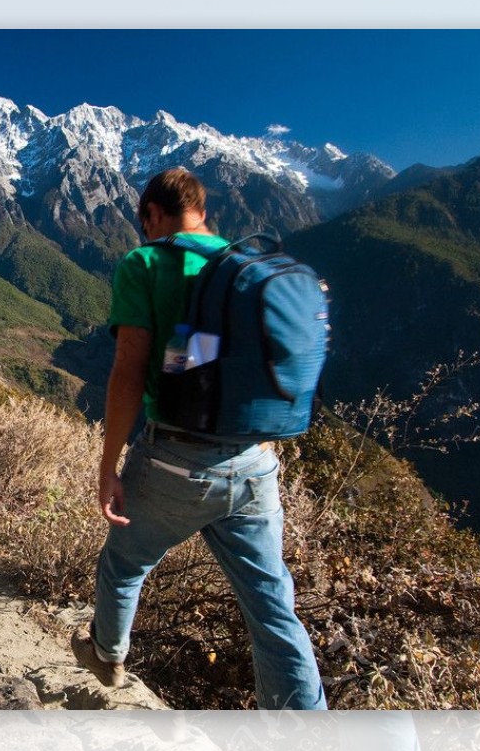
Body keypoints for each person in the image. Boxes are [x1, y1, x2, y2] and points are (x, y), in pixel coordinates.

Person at [70, 168, 327, 710]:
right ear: (204, 213)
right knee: (272, 607)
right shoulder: (242, 267)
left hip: (175, 461)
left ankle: (108, 656)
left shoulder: (146, 262)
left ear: (151, 216)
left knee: (124, 563)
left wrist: (108, 464)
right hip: (256, 462)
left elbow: (128, 370)